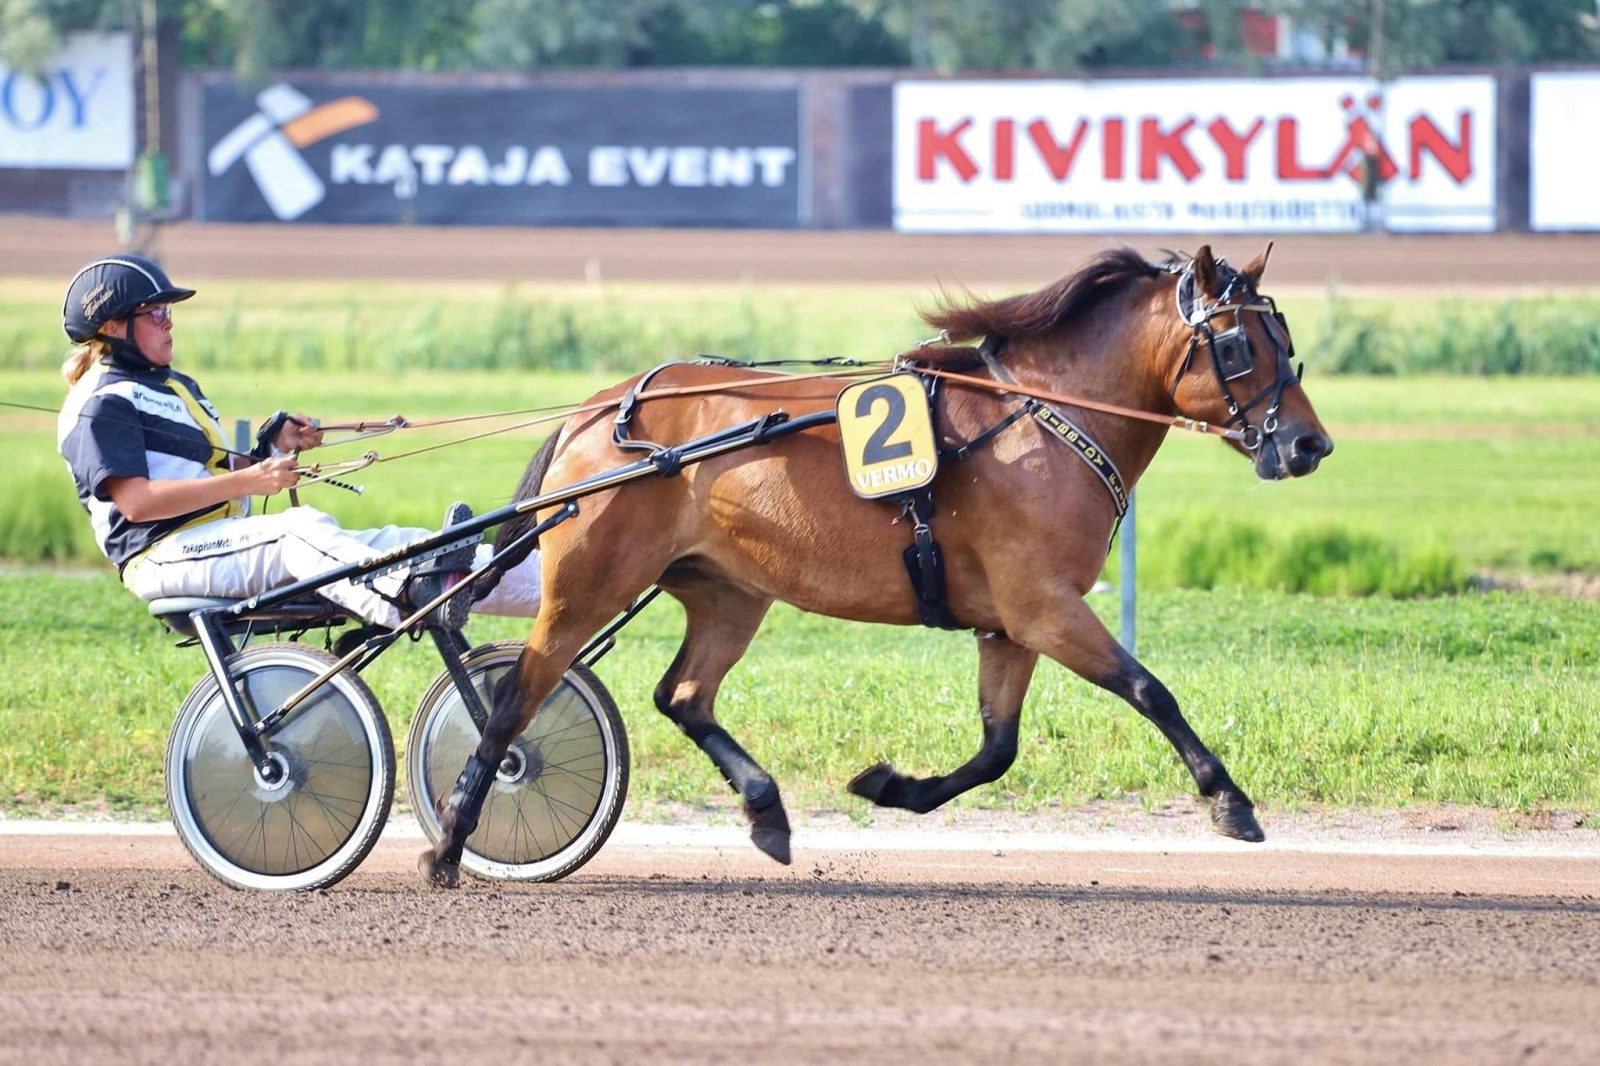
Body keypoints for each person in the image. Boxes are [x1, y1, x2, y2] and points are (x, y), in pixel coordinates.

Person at [57, 254, 541, 630]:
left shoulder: (172, 387)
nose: (169, 321)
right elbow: (138, 503)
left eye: (168, 310)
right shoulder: (102, 401)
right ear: (113, 326)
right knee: (298, 530)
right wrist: (251, 478)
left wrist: (272, 449)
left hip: (215, 544)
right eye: (154, 311)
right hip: (163, 556)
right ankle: (411, 594)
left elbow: (216, 474)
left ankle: (555, 582)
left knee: (401, 541)